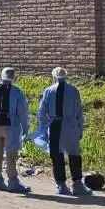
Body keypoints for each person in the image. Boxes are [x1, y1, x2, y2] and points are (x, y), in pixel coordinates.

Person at [32, 67, 90, 196]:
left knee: (57, 155)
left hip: (55, 126)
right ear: (66, 76)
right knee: (74, 155)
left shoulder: (48, 91)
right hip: (71, 126)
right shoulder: (74, 90)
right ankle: (77, 184)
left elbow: (42, 112)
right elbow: (79, 111)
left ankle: (61, 185)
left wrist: (43, 127)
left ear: (53, 77)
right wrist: (80, 128)